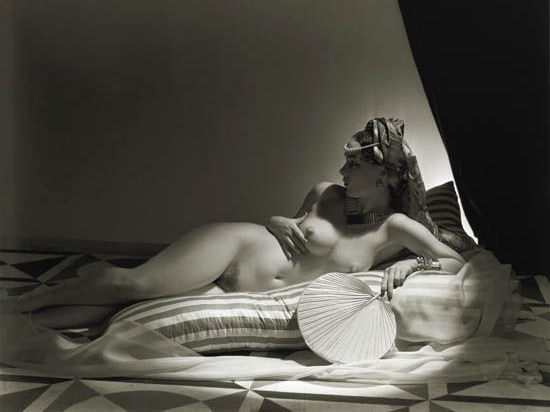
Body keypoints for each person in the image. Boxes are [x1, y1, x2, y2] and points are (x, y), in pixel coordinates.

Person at [3, 118, 469, 329]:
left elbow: (455, 261)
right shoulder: (326, 191)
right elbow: (286, 223)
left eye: (355, 166)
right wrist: (277, 219)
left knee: (123, 313)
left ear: (384, 177)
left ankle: (20, 331)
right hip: (234, 246)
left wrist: (412, 266)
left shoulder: (396, 228)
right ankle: (23, 302)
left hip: (240, 290)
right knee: (134, 284)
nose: (342, 170)